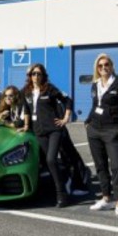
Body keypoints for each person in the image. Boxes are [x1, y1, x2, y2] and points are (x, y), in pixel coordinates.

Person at [85, 53, 118, 219]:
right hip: (94, 130)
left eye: (106, 64)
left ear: (112, 66)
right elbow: (95, 106)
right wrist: (87, 121)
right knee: (100, 166)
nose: (103, 68)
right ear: (97, 68)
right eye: (100, 66)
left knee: (116, 168)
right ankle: (106, 198)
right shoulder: (95, 85)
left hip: (111, 131)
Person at [22, 63, 73, 208]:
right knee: (46, 162)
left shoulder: (50, 89)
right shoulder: (25, 92)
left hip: (54, 130)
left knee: (51, 159)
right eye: (33, 74)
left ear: (43, 76)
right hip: (39, 132)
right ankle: (58, 188)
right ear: (30, 76)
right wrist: (25, 126)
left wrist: (65, 118)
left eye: (39, 74)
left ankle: (61, 195)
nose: (36, 76)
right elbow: (26, 110)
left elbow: (68, 100)